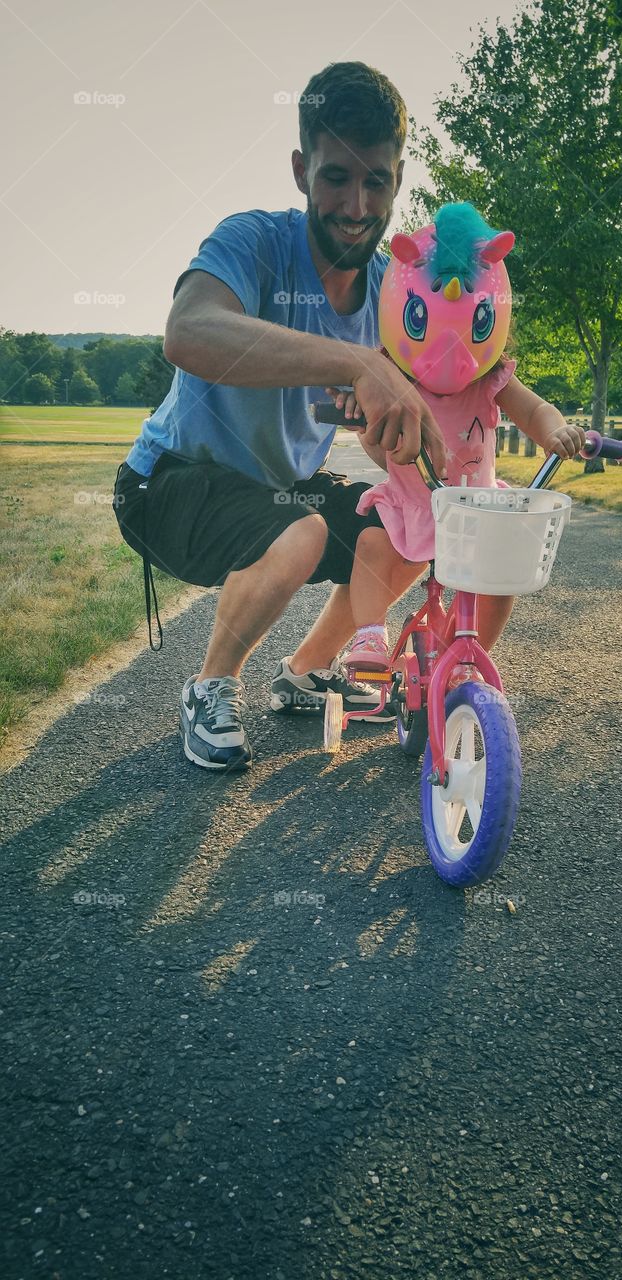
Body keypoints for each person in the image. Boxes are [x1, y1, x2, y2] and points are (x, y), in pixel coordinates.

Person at [112, 62, 448, 773]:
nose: (356, 205)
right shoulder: (253, 241)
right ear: (301, 170)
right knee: (300, 531)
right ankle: (209, 688)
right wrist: (354, 364)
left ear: (398, 180)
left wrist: (425, 454)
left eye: (376, 182)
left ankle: (305, 673)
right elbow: (189, 331)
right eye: (335, 178)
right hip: (168, 482)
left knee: (401, 525)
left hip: (278, 487)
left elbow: (390, 406)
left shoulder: (390, 288)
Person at [322, 202, 586, 672]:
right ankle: (370, 636)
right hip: (412, 506)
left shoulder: (492, 379)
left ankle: (467, 654)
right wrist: (363, 422)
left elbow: (534, 410)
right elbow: (375, 439)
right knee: (371, 547)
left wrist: (556, 431)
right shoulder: (391, 378)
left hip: (477, 507)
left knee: (500, 581)